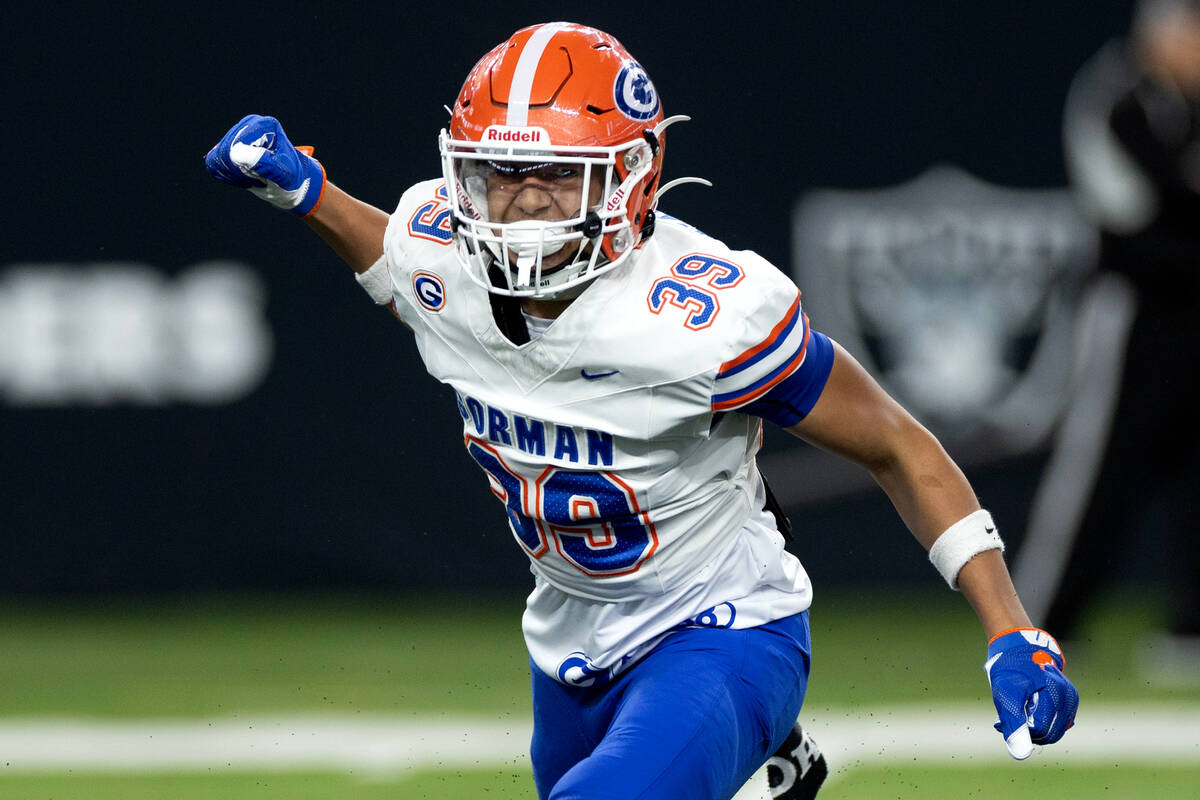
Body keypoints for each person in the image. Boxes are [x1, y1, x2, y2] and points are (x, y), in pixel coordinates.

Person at [205, 22, 1078, 799]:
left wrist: (1011, 630)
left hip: (725, 626)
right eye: (499, 174)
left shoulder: (702, 318)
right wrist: (306, 195)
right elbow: (399, 272)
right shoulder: (442, 251)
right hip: (566, 640)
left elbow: (894, 443)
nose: (521, 204)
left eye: (555, 175)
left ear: (633, 179)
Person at [1015, 0, 1200, 679]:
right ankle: (1043, 620)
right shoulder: (1115, 98)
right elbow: (1136, 217)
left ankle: (1191, 629)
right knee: (1100, 468)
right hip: (1132, 307)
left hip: (1194, 308)